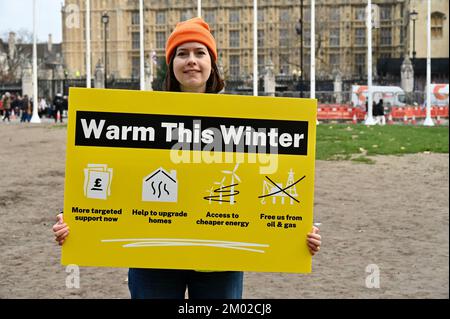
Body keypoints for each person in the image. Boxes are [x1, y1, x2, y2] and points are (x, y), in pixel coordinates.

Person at [52, 17, 322, 299]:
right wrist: (73, 219)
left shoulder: (244, 119)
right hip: (153, 255)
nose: (191, 60)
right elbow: (115, 169)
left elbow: (262, 178)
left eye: (199, 53)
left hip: (220, 257)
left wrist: (300, 229)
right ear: (171, 65)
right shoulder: (143, 114)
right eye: (182, 53)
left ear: (211, 63)